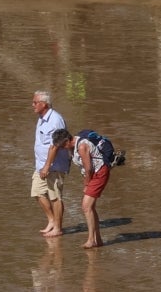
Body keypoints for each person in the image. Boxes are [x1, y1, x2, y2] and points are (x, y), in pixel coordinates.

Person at [51, 128, 112, 249]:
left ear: (68, 141)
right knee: (91, 207)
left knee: (86, 206)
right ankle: (98, 239)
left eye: (62, 146)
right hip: (94, 174)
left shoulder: (82, 146)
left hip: (99, 173)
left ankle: (91, 240)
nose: (62, 148)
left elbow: (88, 168)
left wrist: (86, 185)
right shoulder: (72, 147)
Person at [31, 91, 71, 237]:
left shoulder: (55, 120)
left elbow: (55, 145)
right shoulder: (41, 118)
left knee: (55, 197)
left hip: (54, 166)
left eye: (35, 103)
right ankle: (52, 220)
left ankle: (58, 228)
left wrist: (48, 166)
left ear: (44, 104)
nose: (33, 105)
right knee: (37, 193)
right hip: (41, 165)